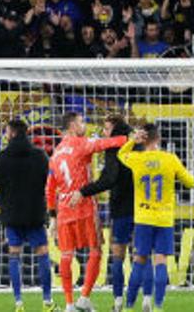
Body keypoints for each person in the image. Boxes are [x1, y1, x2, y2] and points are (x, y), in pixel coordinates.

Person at [46, 112, 128, 312]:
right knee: (96, 250)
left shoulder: (55, 153)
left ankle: (69, 304)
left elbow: (49, 188)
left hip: (64, 209)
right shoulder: (81, 143)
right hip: (84, 206)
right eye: (82, 122)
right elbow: (110, 143)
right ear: (73, 125)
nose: (86, 125)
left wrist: (53, 217)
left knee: (66, 254)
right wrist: (131, 137)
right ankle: (84, 297)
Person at [117, 123, 194, 312]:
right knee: (160, 261)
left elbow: (120, 155)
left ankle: (129, 306)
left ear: (143, 140)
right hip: (164, 219)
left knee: (139, 260)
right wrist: (178, 175)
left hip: (143, 219)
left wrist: (131, 141)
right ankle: (158, 306)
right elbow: (191, 183)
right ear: (158, 139)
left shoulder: (136, 159)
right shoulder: (170, 159)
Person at [0, 117, 56, 312]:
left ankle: (19, 302)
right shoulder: (39, 155)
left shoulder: (2, 156)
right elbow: (48, 179)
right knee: (43, 253)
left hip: (11, 213)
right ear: (26, 133)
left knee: (14, 255)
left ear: (11, 133)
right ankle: (47, 301)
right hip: (35, 212)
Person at [78, 114, 135, 310]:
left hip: (122, 208)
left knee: (118, 255)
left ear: (115, 128)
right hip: (145, 209)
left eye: (106, 128)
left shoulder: (115, 148)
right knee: (143, 256)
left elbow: (109, 179)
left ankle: (119, 302)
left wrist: (83, 191)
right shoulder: (138, 144)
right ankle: (144, 301)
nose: (104, 132)